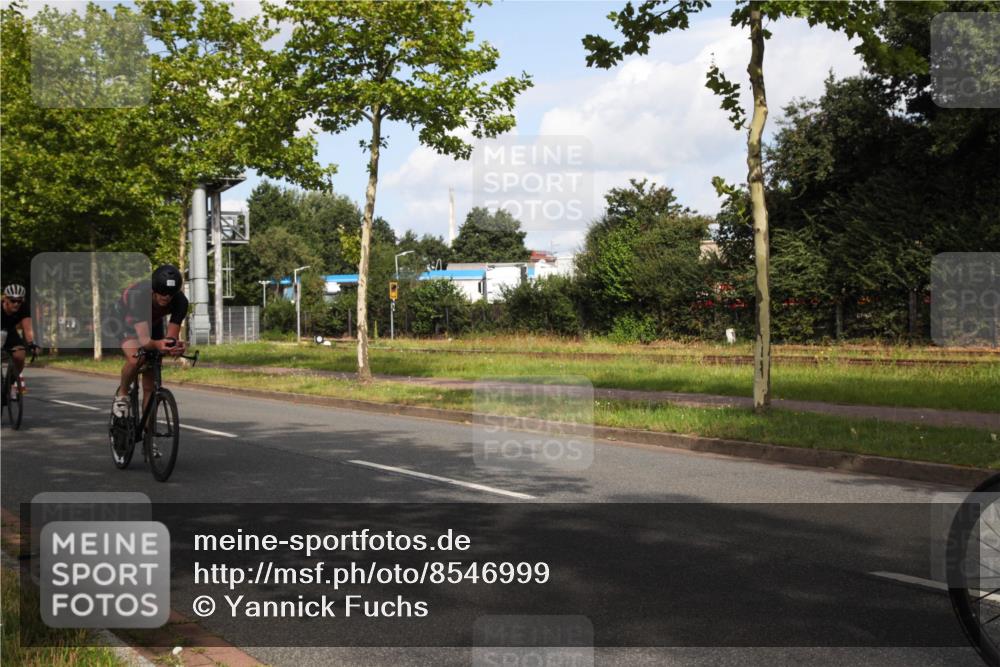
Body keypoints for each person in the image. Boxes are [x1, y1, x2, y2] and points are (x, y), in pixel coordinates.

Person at [113, 264, 188, 418]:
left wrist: (172, 346)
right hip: (123, 320)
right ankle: (122, 394)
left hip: (152, 322)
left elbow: (171, 336)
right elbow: (144, 340)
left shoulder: (181, 301)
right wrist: (158, 344)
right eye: (162, 292)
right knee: (137, 358)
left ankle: (148, 429)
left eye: (170, 294)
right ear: (153, 290)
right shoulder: (139, 296)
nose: (166, 297)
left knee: (150, 385)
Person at [1, 284, 36, 395]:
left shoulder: (24, 308)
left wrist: (32, 344)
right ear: (5, 299)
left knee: (20, 355)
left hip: (10, 333)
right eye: (13, 300)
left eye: (19, 301)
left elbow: (27, 328)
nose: (16, 304)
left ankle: (10, 381)